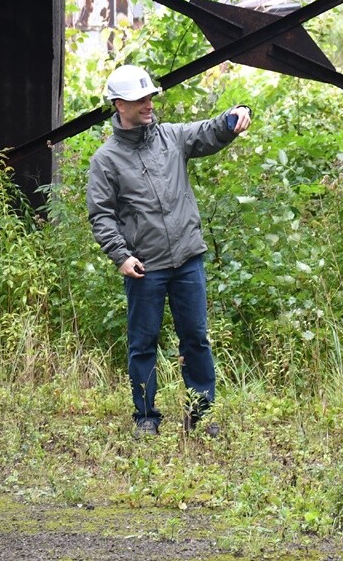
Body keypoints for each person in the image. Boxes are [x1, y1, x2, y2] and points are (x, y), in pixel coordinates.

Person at [86, 65, 252, 439]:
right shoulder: (106, 160)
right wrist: (121, 256)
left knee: (196, 339)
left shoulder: (172, 138)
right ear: (119, 105)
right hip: (144, 266)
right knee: (142, 344)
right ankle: (146, 417)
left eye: (150, 97)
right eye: (139, 100)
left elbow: (210, 131)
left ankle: (201, 416)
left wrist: (237, 114)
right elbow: (101, 215)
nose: (148, 104)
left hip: (187, 259)